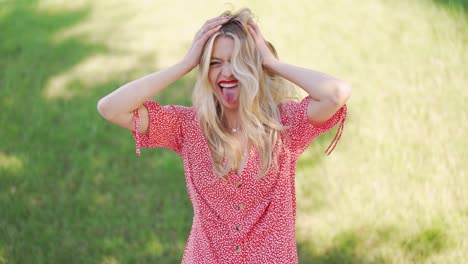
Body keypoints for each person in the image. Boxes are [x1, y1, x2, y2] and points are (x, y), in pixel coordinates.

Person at [97, 8, 350, 264]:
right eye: (215, 63)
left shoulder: (284, 124)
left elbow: (336, 93)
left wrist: (272, 63)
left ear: (255, 67)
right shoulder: (188, 126)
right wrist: (184, 64)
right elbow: (110, 108)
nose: (227, 73)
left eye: (238, 62)